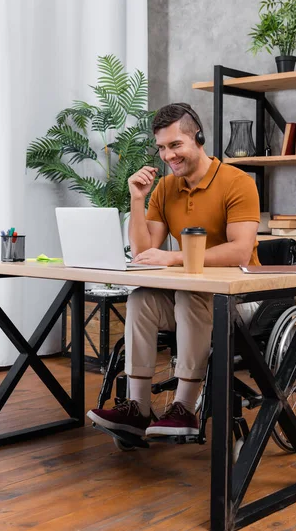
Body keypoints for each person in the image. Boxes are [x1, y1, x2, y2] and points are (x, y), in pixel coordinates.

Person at [87, 103, 260, 438]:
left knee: (190, 294)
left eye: (175, 145)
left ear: (199, 138)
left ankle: (184, 410)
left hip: (240, 300)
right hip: (190, 301)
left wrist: (176, 257)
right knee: (141, 299)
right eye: (162, 148)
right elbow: (142, 251)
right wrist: (137, 199)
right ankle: (137, 408)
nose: (167, 156)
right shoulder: (165, 189)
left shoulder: (238, 182)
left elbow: (240, 250)